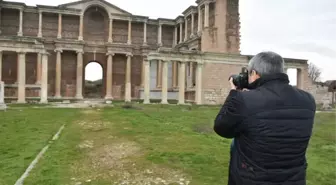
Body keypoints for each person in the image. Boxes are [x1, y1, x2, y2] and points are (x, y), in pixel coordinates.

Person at [214, 51, 316, 185]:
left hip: (252, 179)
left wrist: (234, 94)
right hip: (293, 178)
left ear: (255, 74)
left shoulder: (244, 100)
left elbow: (221, 128)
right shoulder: (308, 100)